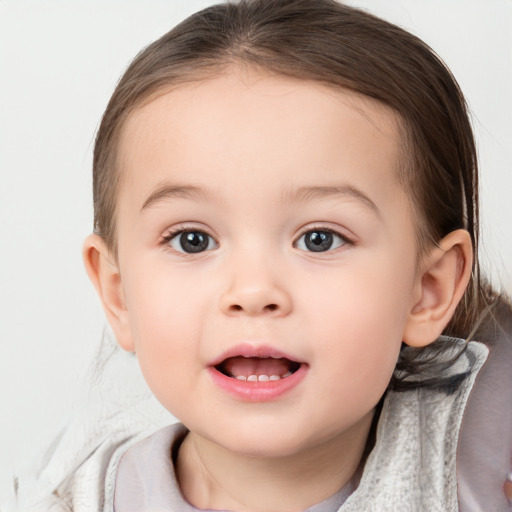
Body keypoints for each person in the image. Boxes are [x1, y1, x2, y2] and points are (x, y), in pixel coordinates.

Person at [8, 0, 512, 510]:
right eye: (192, 240)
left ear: (428, 290)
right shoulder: (65, 499)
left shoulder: (478, 472)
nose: (252, 291)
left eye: (320, 238)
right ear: (119, 294)